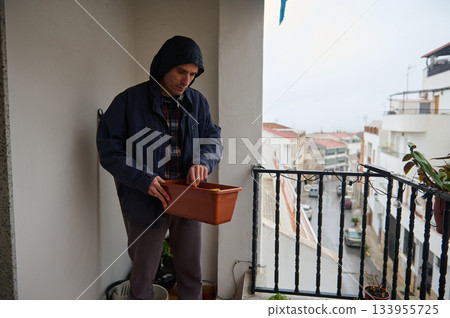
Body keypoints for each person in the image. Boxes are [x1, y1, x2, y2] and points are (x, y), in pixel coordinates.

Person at [97, 36, 222, 300]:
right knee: (142, 278)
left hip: (188, 197)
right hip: (145, 199)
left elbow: (212, 139)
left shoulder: (197, 103)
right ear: (164, 65)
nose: (186, 80)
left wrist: (203, 161)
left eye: (192, 74)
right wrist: (143, 179)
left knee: (191, 274)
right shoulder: (128, 101)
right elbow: (109, 152)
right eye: (180, 71)